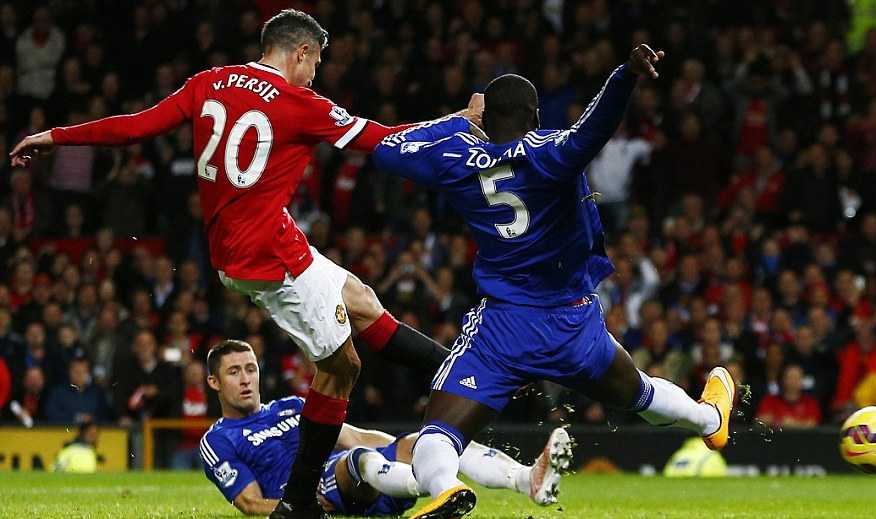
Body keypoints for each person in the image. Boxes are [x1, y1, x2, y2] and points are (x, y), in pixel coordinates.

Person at [9, 9, 480, 519]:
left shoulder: (208, 82)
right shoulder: (301, 102)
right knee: (341, 367)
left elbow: (134, 126)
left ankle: (464, 371)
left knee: (361, 300)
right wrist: (459, 122)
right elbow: (385, 140)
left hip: (247, 248)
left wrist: (55, 136)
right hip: (268, 258)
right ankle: (298, 503)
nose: (315, 74)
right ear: (301, 52)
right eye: (316, 63)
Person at [373, 44, 735, 518]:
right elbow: (594, 129)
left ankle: (445, 489)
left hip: (503, 328)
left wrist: (459, 120)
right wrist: (625, 75)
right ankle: (709, 418)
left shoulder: (457, 156)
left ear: (487, 118)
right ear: (534, 115)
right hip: (573, 323)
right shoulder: (549, 152)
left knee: (438, 434)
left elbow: (386, 149)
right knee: (640, 393)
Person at [200, 340, 571, 516]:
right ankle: (437, 490)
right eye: (234, 372)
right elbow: (249, 503)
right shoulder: (217, 440)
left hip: (372, 481)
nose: (245, 379)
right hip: (320, 491)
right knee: (356, 460)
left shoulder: (293, 406)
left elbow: (355, 436)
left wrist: (412, 448)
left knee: (429, 442)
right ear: (214, 382)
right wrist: (303, 509)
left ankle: (527, 479)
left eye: (250, 369)